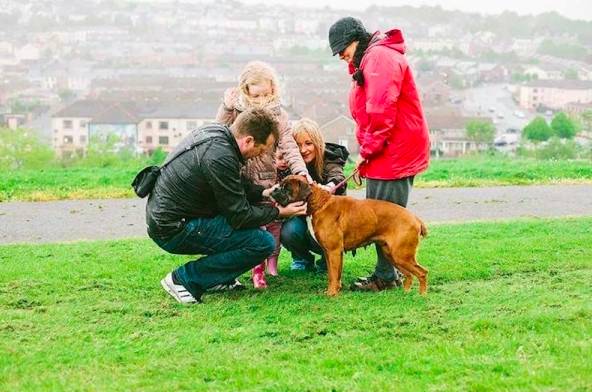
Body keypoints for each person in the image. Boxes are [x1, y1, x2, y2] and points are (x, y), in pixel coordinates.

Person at [147, 108, 307, 304]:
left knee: (247, 232)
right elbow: (240, 216)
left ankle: (217, 279)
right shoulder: (220, 156)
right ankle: (184, 279)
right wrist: (278, 212)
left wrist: (263, 192)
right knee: (263, 243)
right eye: (262, 149)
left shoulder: (218, 135)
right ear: (248, 141)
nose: (261, 155)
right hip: (173, 228)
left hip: (173, 217)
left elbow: (232, 184)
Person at [328, 17, 430, 292]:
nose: (340, 55)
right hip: (385, 150)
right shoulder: (369, 59)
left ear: (356, 39)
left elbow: (380, 110)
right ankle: (388, 274)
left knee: (384, 219)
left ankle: (386, 277)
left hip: (392, 152)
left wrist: (367, 150)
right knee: (378, 216)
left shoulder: (379, 59)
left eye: (342, 48)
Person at [216, 61, 310, 289]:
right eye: (256, 95)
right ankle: (238, 271)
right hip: (237, 178)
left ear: (273, 90)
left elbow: (288, 146)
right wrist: (227, 108)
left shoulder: (278, 115)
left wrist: (302, 172)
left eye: (266, 95)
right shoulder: (235, 111)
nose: (261, 100)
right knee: (239, 225)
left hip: (265, 180)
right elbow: (217, 134)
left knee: (267, 225)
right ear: (245, 91)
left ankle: (264, 270)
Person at [280, 118, 349, 272]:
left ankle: (328, 259)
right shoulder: (290, 163)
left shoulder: (330, 158)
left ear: (317, 143)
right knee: (289, 231)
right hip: (302, 217)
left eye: (308, 143)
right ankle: (302, 259)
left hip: (331, 219)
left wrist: (329, 187)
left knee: (328, 231)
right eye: (298, 145)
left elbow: (337, 176)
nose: (303, 149)